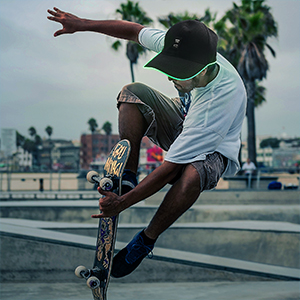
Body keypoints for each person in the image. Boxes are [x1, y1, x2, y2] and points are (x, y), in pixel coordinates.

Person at [47, 7, 247, 278]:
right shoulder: (183, 44)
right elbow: (133, 30)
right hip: (183, 119)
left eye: (179, 74)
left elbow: (172, 168)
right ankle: (128, 174)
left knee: (190, 175)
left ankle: (146, 240)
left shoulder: (219, 100)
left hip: (214, 150)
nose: (170, 78)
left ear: (205, 71)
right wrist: (81, 24)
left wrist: (123, 203)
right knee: (132, 93)